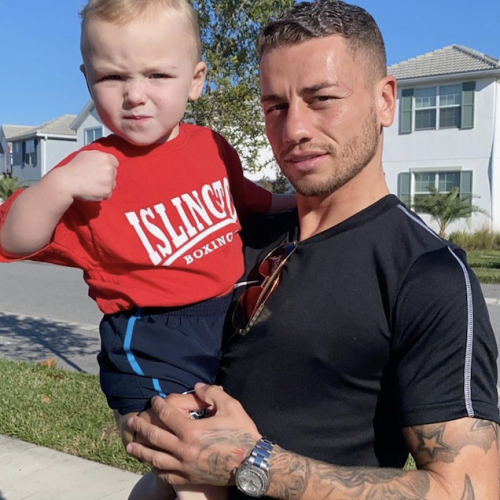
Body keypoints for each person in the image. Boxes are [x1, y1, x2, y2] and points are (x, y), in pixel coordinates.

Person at [124, 1, 500, 499]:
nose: (293, 128)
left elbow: (468, 489)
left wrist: (250, 463)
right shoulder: (230, 232)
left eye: (321, 98)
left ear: (385, 101)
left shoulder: (428, 274)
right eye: (275, 105)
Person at [0, 1, 295, 499]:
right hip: (152, 339)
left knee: (177, 474)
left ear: (196, 80)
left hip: (221, 321)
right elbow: (12, 239)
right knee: (194, 469)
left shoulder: (211, 147)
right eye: (113, 77)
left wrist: (303, 202)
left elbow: (249, 200)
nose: (135, 95)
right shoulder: (89, 170)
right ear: (88, 78)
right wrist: (56, 187)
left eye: (158, 74)